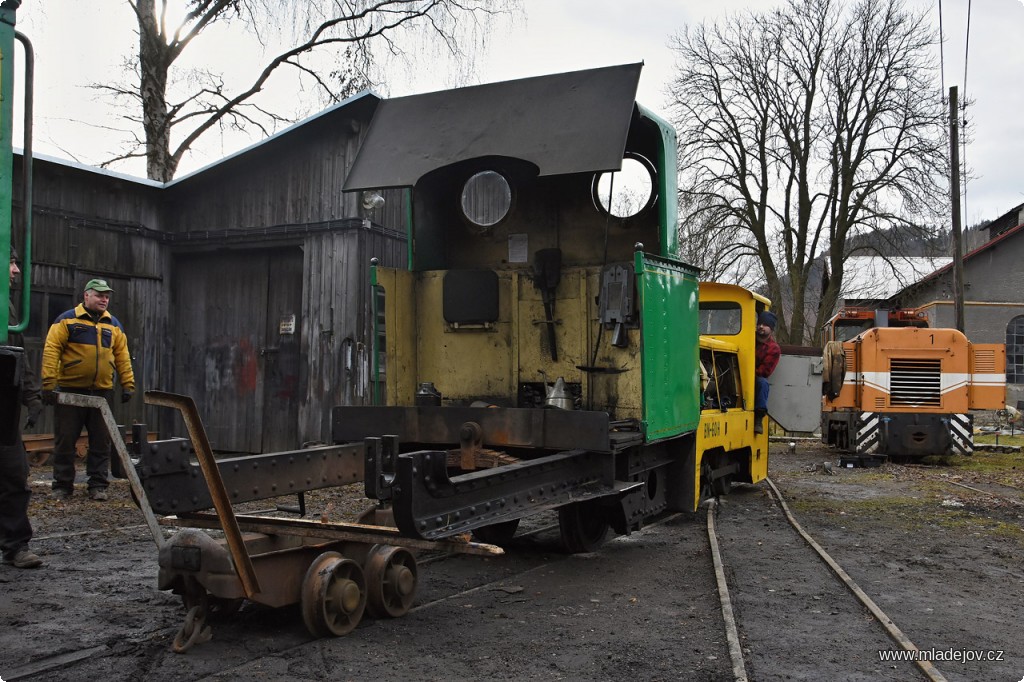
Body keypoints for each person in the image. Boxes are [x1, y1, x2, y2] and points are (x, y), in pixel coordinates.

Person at [41, 278, 134, 501]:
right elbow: (51, 350)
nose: (104, 299)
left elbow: (122, 356)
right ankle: (63, 486)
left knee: (100, 441)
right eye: (99, 295)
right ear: (86, 296)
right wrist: (48, 383)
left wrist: (127, 383)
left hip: (101, 392)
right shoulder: (66, 320)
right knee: (65, 440)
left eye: (107, 296)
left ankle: (98, 486)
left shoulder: (113, 324)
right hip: (70, 391)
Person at [1, 247, 43, 568]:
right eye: (11, 262)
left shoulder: (9, 307)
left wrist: (32, 397)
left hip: (5, 404)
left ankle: (15, 545)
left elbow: (19, 355)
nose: (16, 271)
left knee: (15, 473)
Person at [754, 310, 781, 434]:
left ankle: (758, 417)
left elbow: (765, 371)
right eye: (759, 323)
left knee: (763, 383)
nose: (760, 326)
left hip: (755, 376)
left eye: (765, 325)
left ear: (771, 328)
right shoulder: (747, 337)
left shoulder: (773, 349)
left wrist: (750, 371)